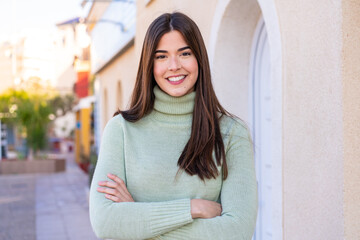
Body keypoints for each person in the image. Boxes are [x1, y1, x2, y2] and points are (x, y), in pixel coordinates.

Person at [89, 12, 257, 240]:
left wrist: (137, 220)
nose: (174, 66)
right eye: (161, 56)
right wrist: (192, 208)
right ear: (149, 64)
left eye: (185, 53)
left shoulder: (231, 133)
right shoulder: (121, 131)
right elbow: (106, 223)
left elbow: (237, 231)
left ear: (199, 58)